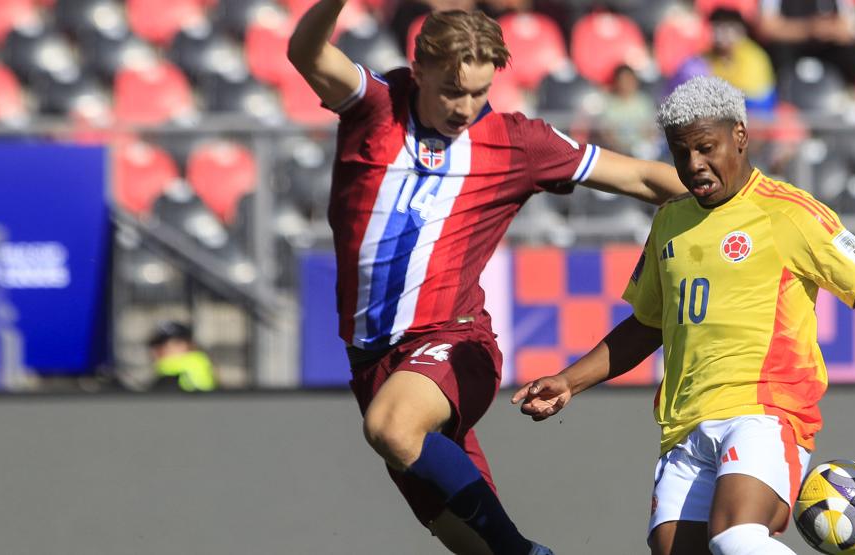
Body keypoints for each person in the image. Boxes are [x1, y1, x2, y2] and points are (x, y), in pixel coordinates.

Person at [512, 77, 855, 555]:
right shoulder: (670, 221)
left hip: (764, 411)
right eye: (680, 152)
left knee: (737, 536)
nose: (694, 164)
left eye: (706, 147)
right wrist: (570, 381)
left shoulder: (790, 213)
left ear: (740, 136)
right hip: (683, 425)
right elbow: (649, 324)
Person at [288, 4, 685, 555]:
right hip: (371, 362)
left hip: (453, 342)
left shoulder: (517, 142)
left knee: (393, 429)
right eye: (453, 91)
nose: (465, 107)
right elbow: (305, 53)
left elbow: (641, 177)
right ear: (419, 70)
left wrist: (751, 202)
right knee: (473, 543)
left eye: (479, 92)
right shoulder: (376, 107)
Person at [705, 8, 778, 115]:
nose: (721, 34)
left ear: (741, 31)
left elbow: (754, 98)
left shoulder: (754, 57)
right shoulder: (704, 58)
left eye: (728, 28)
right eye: (717, 27)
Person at [596, 64, 660, 160]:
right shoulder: (608, 104)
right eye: (623, 80)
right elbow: (606, 133)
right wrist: (621, 149)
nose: (626, 84)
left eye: (629, 79)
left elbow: (652, 129)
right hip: (618, 155)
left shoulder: (644, 102)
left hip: (643, 154)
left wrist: (643, 145)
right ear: (616, 82)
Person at [147, 321, 216, 392]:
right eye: (158, 345)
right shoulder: (205, 365)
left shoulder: (176, 374)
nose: (164, 349)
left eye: (176, 343)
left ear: (190, 345)